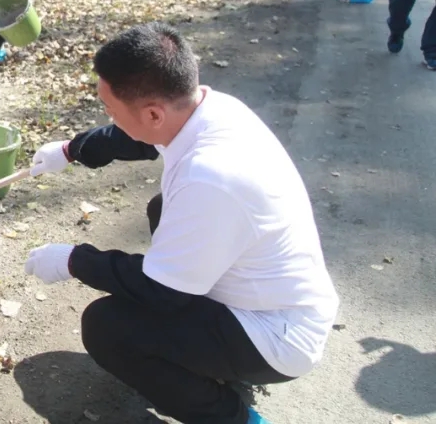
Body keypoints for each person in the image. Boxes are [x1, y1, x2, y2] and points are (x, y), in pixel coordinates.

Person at [24, 23, 339, 424]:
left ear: (153, 111)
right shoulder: (209, 108)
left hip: (275, 337)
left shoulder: (207, 179)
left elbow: (160, 291)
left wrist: (73, 261)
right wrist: (73, 150)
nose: (109, 117)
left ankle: (235, 418)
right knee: (162, 208)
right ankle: (208, 360)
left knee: (107, 327)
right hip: (272, 295)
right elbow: (138, 137)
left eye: (110, 110)